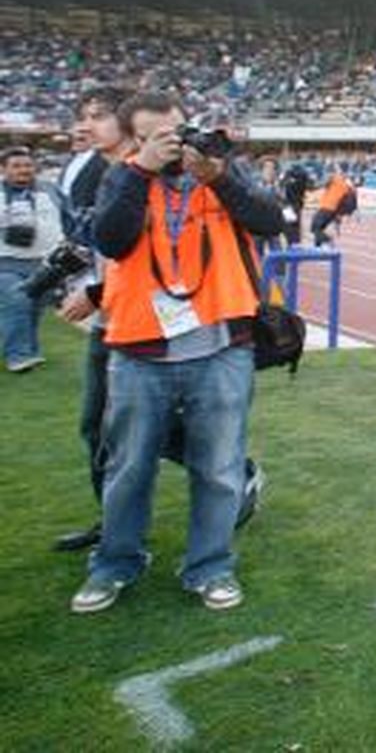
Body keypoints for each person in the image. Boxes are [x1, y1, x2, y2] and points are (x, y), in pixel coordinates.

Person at [70, 92, 284, 614]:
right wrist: (141, 169)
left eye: (178, 131)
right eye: (156, 137)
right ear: (135, 139)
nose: (173, 145)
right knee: (129, 467)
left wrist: (219, 176)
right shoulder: (119, 177)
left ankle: (209, 567)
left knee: (218, 467)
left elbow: (269, 220)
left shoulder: (217, 175)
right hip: (140, 350)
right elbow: (113, 239)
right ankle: (115, 563)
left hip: (221, 347)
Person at [0, 146, 68, 373]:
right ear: (3, 169)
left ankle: (31, 351)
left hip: (45, 263)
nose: (23, 170)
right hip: (6, 263)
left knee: (34, 309)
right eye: (16, 166)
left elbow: (70, 216)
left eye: (28, 165)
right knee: (17, 301)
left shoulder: (50, 190)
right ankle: (18, 358)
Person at [310, 168, 356, 247]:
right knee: (319, 228)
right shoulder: (347, 187)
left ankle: (328, 239)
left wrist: (315, 184)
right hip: (333, 211)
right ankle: (317, 246)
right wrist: (340, 215)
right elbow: (349, 202)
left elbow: (323, 183)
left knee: (314, 228)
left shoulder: (335, 179)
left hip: (326, 207)